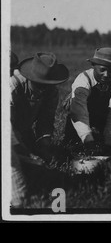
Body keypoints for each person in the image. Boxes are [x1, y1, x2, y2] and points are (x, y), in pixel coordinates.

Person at [10, 52, 69, 207]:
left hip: (24, 131)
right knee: (23, 180)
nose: (43, 90)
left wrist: (44, 146)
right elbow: (7, 128)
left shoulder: (51, 91)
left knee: (42, 165)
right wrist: (27, 153)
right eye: (39, 85)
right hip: (8, 134)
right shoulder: (12, 87)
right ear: (29, 78)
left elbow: (46, 121)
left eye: (48, 85)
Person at [64, 47, 111, 155]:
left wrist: (108, 143)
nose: (106, 74)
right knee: (71, 145)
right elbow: (79, 112)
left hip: (103, 114)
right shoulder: (83, 81)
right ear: (93, 66)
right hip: (81, 113)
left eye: (110, 70)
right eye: (102, 70)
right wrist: (88, 141)